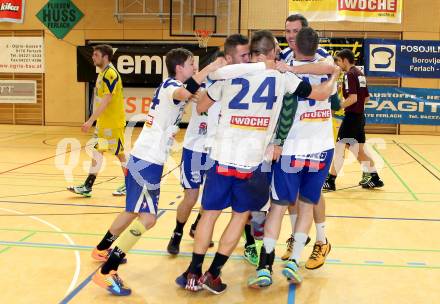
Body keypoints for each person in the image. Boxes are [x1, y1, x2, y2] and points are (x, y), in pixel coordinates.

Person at [177, 30, 337, 295]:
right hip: (252, 163)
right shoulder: (283, 76)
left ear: (251, 53)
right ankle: (214, 274)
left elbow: (201, 105)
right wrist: (333, 80)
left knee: (210, 214)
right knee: (240, 217)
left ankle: (193, 271)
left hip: (221, 156)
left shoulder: (233, 72)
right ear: (274, 52)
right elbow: (319, 94)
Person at [90, 48, 226, 296]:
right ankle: (107, 271)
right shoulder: (171, 86)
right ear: (179, 68)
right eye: (191, 65)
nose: (194, 68)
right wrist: (211, 67)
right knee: (148, 219)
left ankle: (102, 249)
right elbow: (184, 92)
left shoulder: (174, 87)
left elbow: (195, 95)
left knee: (132, 211)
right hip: (147, 161)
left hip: (145, 158)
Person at [248, 27, 339, 288]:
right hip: (321, 147)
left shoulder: (283, 70)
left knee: (278, 205)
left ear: (294, 47)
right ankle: (294, 261)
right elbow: (325, 90)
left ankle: (265, 263)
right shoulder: (327, 67)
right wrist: (333, 77)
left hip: (292, 148)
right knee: (307, 205)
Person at [167, 35, 251, 256]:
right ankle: (177, 232)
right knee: (191, 196)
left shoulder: (236, 83)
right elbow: (188, 88)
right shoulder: (201, 84)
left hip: (218, 149)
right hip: (195, 148)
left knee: (210, 198)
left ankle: (197, 226)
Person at [276, 14, 337, 269]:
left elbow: (327, 69)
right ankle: (296, 239)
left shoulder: (321, 53)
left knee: (312, 195)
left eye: (295, 31)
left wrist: (290, 69)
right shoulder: (285, 57)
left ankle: (322, 241)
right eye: (287, 30)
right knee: (292, 197)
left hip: (317, 138)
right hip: (293, 138)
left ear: (305, 34)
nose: (290, 35)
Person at [67, 44, 127, 197]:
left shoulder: (110, 74)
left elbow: (106, 100)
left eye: (96, 55)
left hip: (113, 123)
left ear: (105, 57)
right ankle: (88, 186)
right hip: (104, 123)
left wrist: (90, 120)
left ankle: (131, 183)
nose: (93, 57)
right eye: (93, 55)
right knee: (97, 152)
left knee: (120, 154)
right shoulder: (102, 73)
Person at [323, 49, 384, 191]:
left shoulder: (349, 74)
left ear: (344, 60)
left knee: (339, 148)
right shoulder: (360, 73)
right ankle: (374, 177)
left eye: (338, 61)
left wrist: (337, 107)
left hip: (351, 118)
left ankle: (330, 181)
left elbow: (353, 98)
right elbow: (366, 98)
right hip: (359, 117)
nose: (338, 64)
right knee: (358, 150)